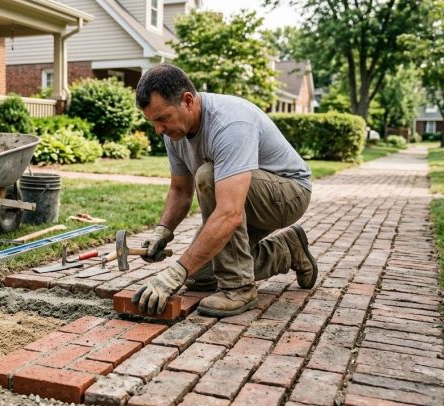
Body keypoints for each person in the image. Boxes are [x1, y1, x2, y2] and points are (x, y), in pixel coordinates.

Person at [131, 64, 317, 317]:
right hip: (245, 198)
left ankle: (238, 287)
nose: (158, 129)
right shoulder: (174, 134)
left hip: (289, 194)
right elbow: (180, 191)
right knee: (198, 275)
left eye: (162, 118)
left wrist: (174, 273)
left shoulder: (230, 123)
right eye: (153, 121)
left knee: (208, 175)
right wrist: (162, 231)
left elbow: (229, 213)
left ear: (188, 101)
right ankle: (287, 250)